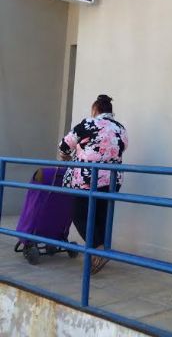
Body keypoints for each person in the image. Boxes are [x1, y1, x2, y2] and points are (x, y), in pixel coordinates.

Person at [58, 94, 128, 274]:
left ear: (95, 109)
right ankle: (100, 252)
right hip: (112, 180)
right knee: (101, 216)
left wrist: (65, 155)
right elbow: (121, 148)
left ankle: (97, 249)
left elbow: (64, 145)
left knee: (78, 214)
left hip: (88, 179)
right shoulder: (121, 128)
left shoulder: (88, 124)